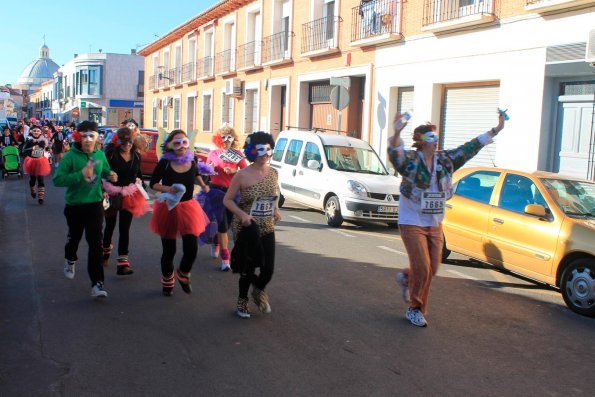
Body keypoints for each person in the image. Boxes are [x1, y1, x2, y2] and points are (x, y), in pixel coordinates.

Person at [388, 110, 507, 327]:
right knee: (423, 267)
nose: (435, 141)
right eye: (431, 138)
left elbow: (470, 147)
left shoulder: (445, 160)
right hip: (411, 220)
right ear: (421, 141)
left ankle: (407, 278)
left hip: (434, 223)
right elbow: (396, 155)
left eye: (436, 137)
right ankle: (415, 309)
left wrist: (496, 129)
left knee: (432, 269)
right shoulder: (412, 161)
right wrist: (396, 133)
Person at [53, 121, 118, 298]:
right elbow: (58, 180)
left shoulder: (100, 155)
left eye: (92, 135)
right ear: (77, 137)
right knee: (74, 238)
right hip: (74, 205)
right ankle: (70, 259)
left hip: (95, 204)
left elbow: (104, 170)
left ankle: (97, 283)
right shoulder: (70, 157)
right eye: (84, 136)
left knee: (95, 243)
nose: (88, 139)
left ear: (97, 138)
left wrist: (110, 174)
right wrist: (80, 174)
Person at [224, 131, 281, 319]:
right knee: (247, 269)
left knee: (268, 269)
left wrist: (276, 210)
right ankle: (242, 301)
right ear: (251, 151)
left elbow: (273, 197)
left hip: (267, 227)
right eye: (261, 150)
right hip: (247, 228)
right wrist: (241, 215)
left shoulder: (273, 173)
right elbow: (228, 200)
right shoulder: (241, 175)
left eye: (268, 150)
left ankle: (258, 290)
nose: (265, 154)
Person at [149, 129, 210, 297]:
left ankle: (183, 273)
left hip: (189, 208)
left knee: (191, 249)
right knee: (169, 251)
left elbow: (196, 173)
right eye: (177, 143)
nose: (181, 146)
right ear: (170, 145)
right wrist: (169, 188)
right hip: (169, 208)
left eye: (184, 142)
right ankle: (167, 280)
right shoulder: (165, 163)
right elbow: (153, 183)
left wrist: (203, 185)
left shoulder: (193, 158)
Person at [101, 127, 150, 275]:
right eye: (124, 142)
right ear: (118, 142)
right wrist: (108, 176)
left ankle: (123, 263)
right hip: (112, 193)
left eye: (130, 142)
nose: (127, 145)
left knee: (124, 229)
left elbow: (138, 173)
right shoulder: (110, 155)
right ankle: (105, 254)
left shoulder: (136, 155)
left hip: (129, 195)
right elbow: (102, 172)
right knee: (110, 226)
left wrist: (140, 183)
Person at [206, 126, 248, 271]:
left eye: (229, 137)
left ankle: (216, 241)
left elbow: (245, 171)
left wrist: (234, 170)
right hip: (216, 192)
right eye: (223, 137)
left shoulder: (237, 154)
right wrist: (210, 168)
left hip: (232, 193)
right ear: (219, 138)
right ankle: (225, 258)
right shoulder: (213, 153)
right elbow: (205, 171)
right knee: (222, 225)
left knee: (227, 225)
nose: (226, 140)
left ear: (233, 139)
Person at [22, 124, 51, 204]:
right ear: (31, 132)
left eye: (38, 131)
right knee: (33, 179)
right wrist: (31, 148)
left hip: (41, 161)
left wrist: (49, 149)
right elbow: (24, 151)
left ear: (40, 132)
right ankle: (33, 191)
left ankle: (41, 198)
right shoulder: (29, 140)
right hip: (31, 162)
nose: (36, 132)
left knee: (41, 180)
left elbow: (46, 148)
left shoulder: (43, 140)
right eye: (34, 131)